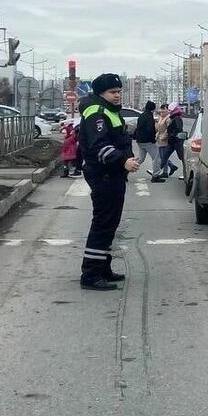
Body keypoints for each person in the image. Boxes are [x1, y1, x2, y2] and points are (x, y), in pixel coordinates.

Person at [77, 73, 140, 291]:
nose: (117, 96)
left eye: (119, 92)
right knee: (103, 224)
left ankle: (103, 268)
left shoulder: (108, 111)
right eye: (113, 92)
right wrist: (122, 161)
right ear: (101, 93)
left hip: (111, 175)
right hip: (104, 174)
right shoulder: (97, 112)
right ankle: (91, 274)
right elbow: (98, 146)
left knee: (110, 224)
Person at [158, 102, 185, 180]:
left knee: (182, 157)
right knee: (164, 156)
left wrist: (172, 135)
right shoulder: (174, 118)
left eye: (170, 110)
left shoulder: (177, 118)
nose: (169, 111)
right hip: (172, 142)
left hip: (176, 142)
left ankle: (185, 173)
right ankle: (156, 171)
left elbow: (178, 130)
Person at [132, 101, 159, 174]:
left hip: (140, 140)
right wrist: (153, 140)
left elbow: (138, 128)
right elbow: (150, 130)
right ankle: (155, 175)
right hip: (147, 141)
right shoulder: (149, 117)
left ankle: (126, 170)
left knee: (141, 158)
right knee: (156, 157)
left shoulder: (142, 115)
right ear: (152, 109)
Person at [150, 104, 170, 182]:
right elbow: (157, 127)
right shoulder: (160, 117)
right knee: (162, 156)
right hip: (159, 137)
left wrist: (164, 136)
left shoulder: (168, 118)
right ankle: (166, 170)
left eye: (164, 109)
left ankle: (164, 171)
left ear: (167, 110)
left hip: (164, 138)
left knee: (163, 156)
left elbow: (168, 129)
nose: (162, 111)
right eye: (161, 109)